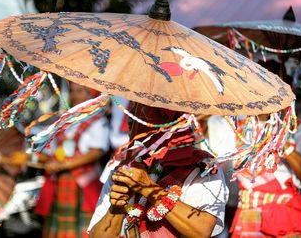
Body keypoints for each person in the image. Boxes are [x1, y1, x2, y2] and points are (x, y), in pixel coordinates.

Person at [88, 102, 229, 238]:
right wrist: (117, 208)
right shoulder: (123, 170)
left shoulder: (203, 168)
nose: (132, 121)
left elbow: (202, 230)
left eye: (144, 116)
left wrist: (148, 188)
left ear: (169, 124)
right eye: (132, 116)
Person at [230, 60, 301, 237]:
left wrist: (282, 142)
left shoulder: (296, 128)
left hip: (284, 214)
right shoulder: (237, 126)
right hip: (249, 212)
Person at [35, 83, 110, 238]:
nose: (75, 95)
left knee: (82, 228)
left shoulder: (98, 120)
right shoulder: (66, 120)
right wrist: (47, 160)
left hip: (84, 183)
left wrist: (64, 164)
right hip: (60, 181)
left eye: (80, 91)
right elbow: (51, 149)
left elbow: (97, 152)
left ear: (91, 95)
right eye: (72, 91)